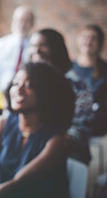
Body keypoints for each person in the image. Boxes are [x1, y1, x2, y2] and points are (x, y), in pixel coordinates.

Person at [0, 62, 75, 198]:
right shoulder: (1, 124)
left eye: (29, 85)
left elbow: (19, 183)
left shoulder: (58, 140)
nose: (19, 89)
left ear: (46, 92)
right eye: (16, 83)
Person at [28, 28, 95, 164]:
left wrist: (50, 144)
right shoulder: (29, 82)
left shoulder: (75, 83)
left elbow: (82, 128)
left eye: (43, 45)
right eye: (33, 45)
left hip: (69, 154)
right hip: (34, 149)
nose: (37, 50)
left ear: (56, 48)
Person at [0, 5, 35, 91]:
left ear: (32, 24)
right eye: (19, 20)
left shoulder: (35, 47)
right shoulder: (0, 45)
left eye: (26, 21)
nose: (22, 24)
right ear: (13, 22)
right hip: (2, 93)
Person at [73, 25, 107, 136]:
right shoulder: (68, 68)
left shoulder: (104, 70)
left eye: (93, 38)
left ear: (100, 43)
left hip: (98, 133)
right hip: (72, 129)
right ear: (78, 40)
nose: (88, 41)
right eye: (85, 37)